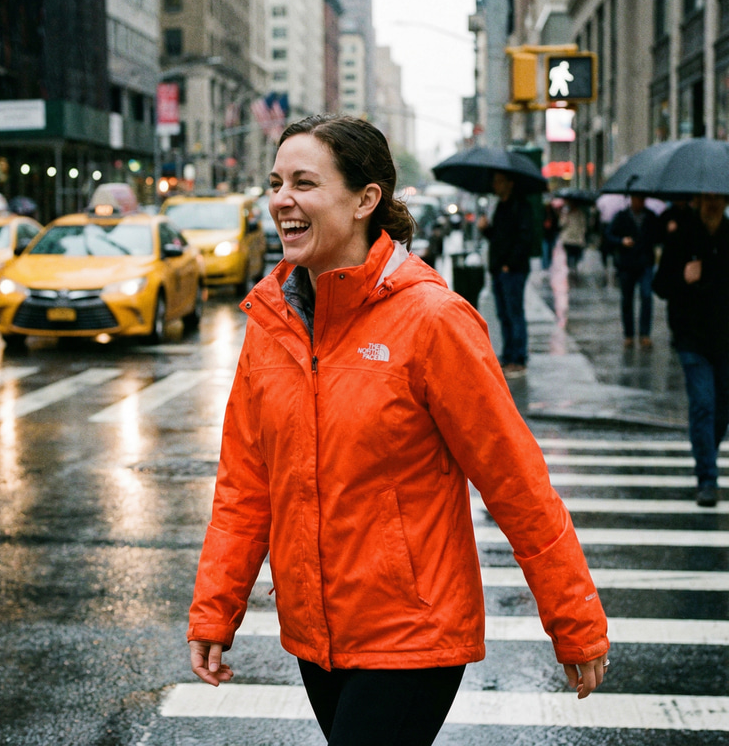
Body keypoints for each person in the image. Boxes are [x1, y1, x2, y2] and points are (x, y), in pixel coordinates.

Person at [187, 115, 609, 746]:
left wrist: (574, 619)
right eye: (276, 183)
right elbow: (246, 485)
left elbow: (515, 480)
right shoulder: (270, 322)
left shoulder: (433, 319)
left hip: (414, 633)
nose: (281, 200)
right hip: (317, 635)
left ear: (365, 200)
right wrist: (216, 608)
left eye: (304, 182)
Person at [652, 192, 729, 507]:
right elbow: (660, 286)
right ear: (698, 200)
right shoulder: (682, 235)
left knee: (722, 407)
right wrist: (683, 278)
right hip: (691, 338)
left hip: (726, 340)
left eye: (719, 198)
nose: (712, 204)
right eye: (707, 198)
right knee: (702, 404)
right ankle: (707, 478)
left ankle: (705, 454)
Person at [476, 170, 533, 377]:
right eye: (494, 182)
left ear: (510, 183)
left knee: (514, 313)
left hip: (513, 270)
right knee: (503, 314)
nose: (495, 186)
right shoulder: (500, 207)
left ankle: (519, 358)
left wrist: (510, 263)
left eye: (499, 181)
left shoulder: (520, 206)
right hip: (499, 269)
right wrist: (485, 229)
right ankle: (508, 355)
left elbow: (525, 238)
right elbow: (498, 238)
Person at [605, 193, 662, 349]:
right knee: (627, 299)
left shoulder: (650, 217)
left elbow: (658, 236)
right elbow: (609, 235)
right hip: (627, 264)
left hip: (645, 263)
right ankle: (629, 335)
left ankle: (645, 334)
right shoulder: (622, 216)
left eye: (642, 199)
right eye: (637, 198)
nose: (640, 202)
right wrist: (621, 241)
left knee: (646, 296)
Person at [558, 197, 589, 280]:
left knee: (576, 254)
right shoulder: (567, 213)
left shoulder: (580, 214)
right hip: (568, 238)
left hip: (577, 238)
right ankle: (571, 267)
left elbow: (583, 226)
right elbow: (561, 224)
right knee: (570, 254)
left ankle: (573, 266)